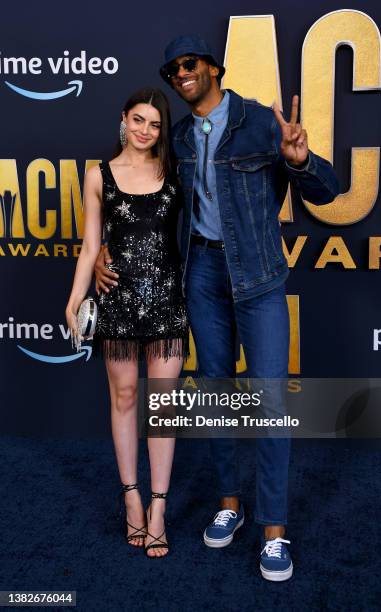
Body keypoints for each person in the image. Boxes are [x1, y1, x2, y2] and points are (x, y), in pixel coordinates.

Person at [94, 36, 339, 580]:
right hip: (201, 275)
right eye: (171, 69)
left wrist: (301, 161)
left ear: (213, 68)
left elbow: (328, 190)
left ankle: (274, 530)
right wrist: (103, 248)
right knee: (214, 393)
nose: (179, 73)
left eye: (189, 64)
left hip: (259, 274)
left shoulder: (259, 122)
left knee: (270, 397)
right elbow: (146, 203)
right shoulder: (177, 137)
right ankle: (230, 504)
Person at [66, 87, 189, 558]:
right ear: (124, 119)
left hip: (166, 303)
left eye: (155, 124)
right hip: (116, 302)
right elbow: (90, 246)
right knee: (124, 398)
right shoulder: (98, 175)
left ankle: (159, 507)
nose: (146, 130)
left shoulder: (174, 172)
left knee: (162, 407)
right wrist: (75, 297)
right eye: (139, 120)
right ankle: (131, 497)